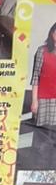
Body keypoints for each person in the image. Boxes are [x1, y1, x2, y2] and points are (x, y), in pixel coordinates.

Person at [30, 22, 56, 165]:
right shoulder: (42, 51)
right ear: (52, 34)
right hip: (44, 99)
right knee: (42, 136)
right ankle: (40, 164)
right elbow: (36, 77)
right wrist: (34, 101)